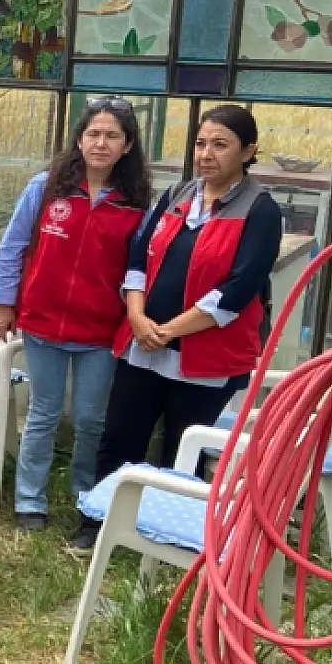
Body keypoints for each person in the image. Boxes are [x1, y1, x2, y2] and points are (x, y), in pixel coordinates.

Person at [83, 103, 284, 555]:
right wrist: (137, 316)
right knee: (121, 437)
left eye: (220, 145)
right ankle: (100, 525)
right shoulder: (176, 195)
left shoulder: (260, 211)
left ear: (248, 151)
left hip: (202, 359)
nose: (206, 154)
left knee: (182, 449)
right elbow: (137, 260)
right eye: (200, 143)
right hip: (143, 345)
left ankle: (165, 543)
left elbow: (237, 291)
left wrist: (169, 330)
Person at [0, 97, 151, 535]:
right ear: (79, 140)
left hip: (99, 332)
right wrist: (4, 302)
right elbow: (12, 247)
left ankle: (89, 503)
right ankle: (29, 502)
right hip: (43, 323)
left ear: (127, 145)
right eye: (93, 134)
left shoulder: (136, 205)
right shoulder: (46, 188)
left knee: (90, 419)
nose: (101, 143)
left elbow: (140, 270)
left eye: (112, 136)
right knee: (42, 412)